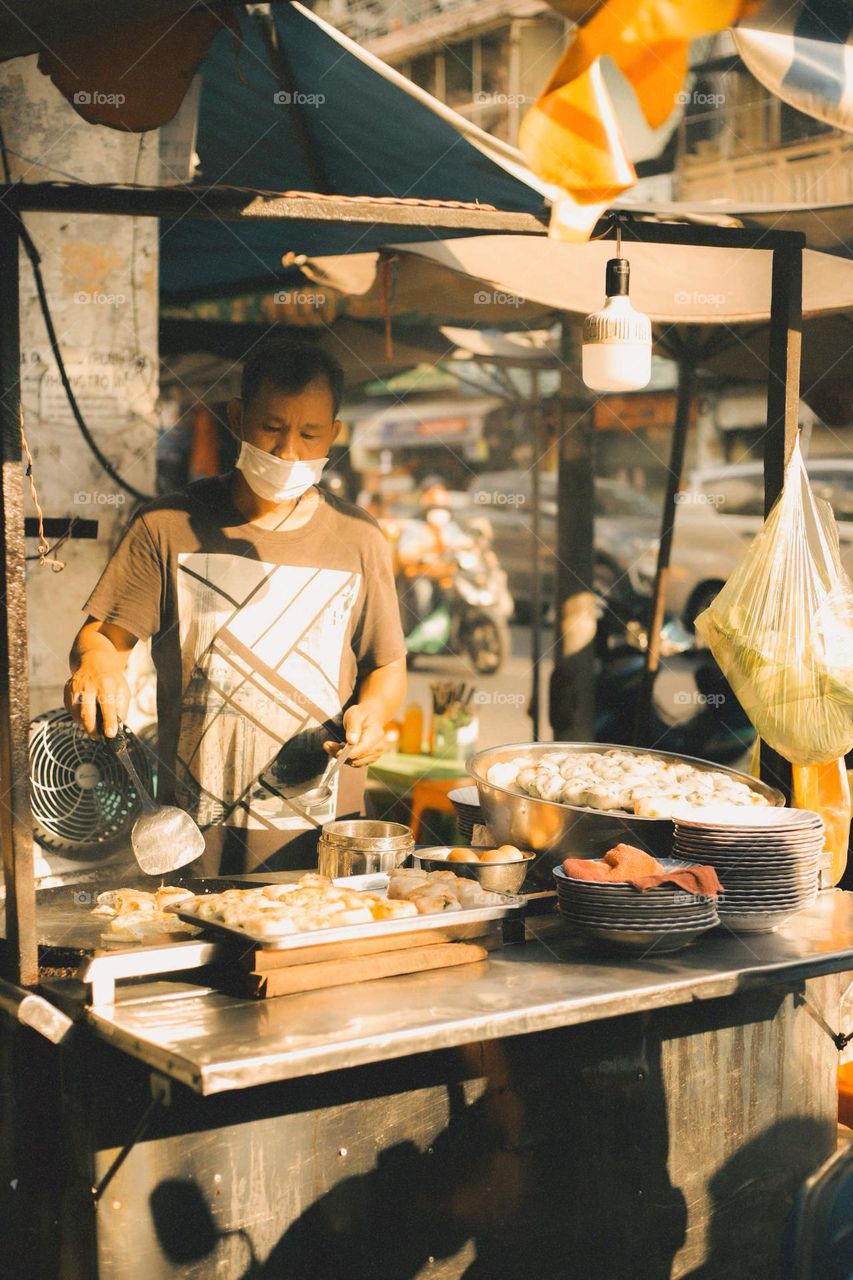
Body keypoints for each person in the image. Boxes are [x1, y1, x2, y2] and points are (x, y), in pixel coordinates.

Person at [65, 344, 407, 872]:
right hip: (193, 831)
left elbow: (386, 664)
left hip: (320, 835)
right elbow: (100, 639)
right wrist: (97, 665)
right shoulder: (167, 526)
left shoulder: (359, 539)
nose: (289, 451)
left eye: (309, 434)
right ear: (237, 418)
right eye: (272, 428)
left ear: (333, 434)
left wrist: (374, 714)